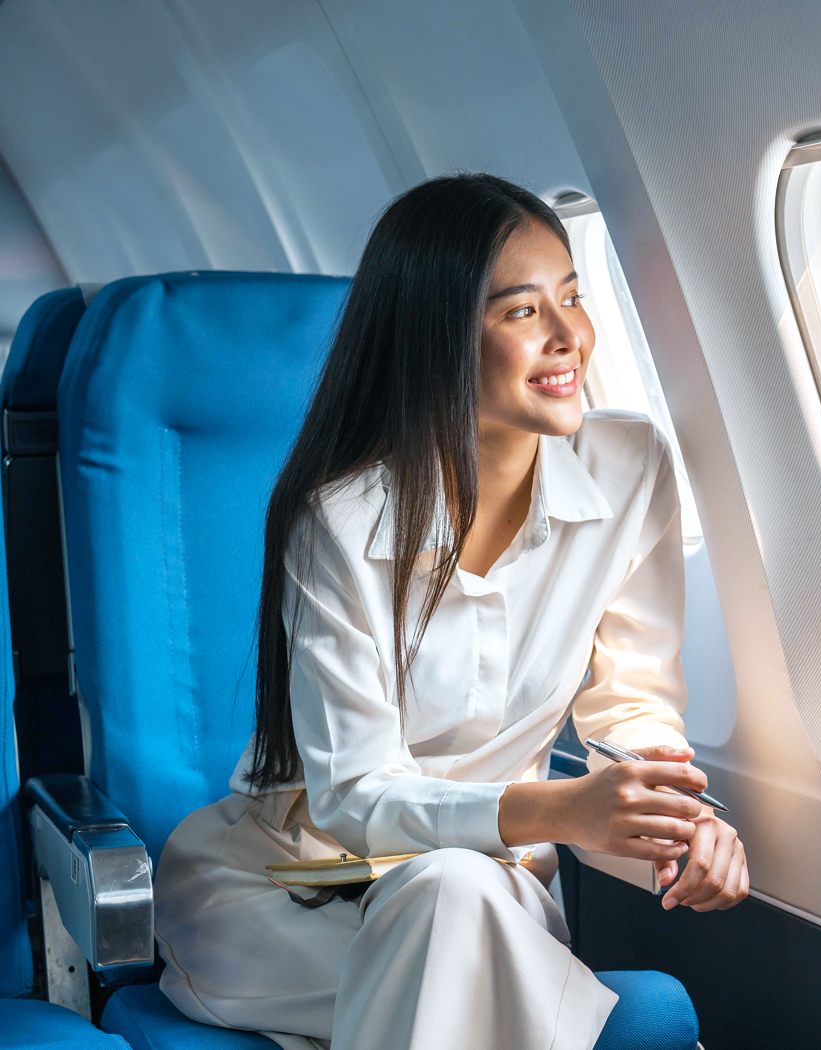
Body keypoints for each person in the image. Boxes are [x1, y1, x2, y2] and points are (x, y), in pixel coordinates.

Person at [152, 173, 748, 1050]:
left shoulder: (634, 470)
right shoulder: (341, 522)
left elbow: (632, 704)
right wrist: (560, 811)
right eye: (519, 312)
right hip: (287, 890)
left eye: (571, 297)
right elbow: (356, 796)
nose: (568, 336)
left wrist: (678, 820)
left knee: (455, 902)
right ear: (437, 341)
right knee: (461, 931)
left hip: (484, 888)